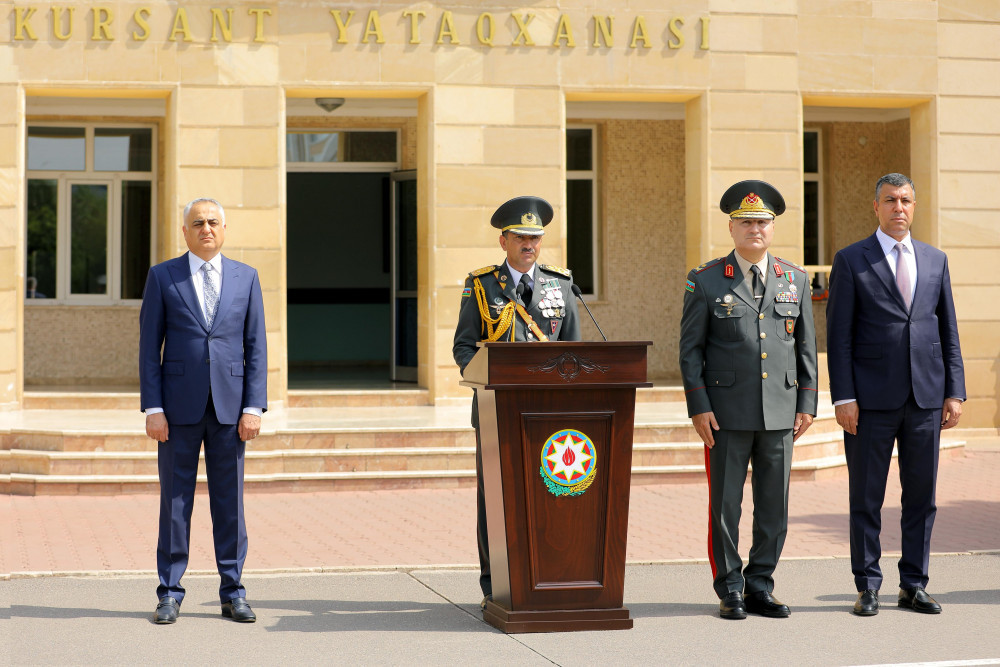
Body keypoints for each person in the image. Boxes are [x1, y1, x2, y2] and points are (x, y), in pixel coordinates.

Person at [826, 173, 965, 617]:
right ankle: (868, 586)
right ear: (876, 207)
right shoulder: (851, 260)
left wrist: (954, 392)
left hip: (926, 397)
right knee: (866, 497)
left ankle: (913, 584)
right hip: (869, 402)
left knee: (921, 498)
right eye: (890, 200)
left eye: (905, 200)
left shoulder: (935, 259)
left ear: (915, 205)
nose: (898, 208)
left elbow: (948, 330)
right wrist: (842, 396)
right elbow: (840, 336)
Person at [679, 180, 818, 620]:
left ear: (772, 228)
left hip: (780, 410)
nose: (754, 229)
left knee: (774, 507)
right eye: (746, 222)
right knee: (725, 507)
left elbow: (806, 347)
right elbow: (690, 350)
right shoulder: (704, 280)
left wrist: (808, 401)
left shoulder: (794, 279)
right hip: (725, 414)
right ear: (732, 228)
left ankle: (760, 585)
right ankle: (730, 588)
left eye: (761, 222)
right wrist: (699, 406)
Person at [139, 198, 267, 624]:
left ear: (225, 229)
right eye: (198, 223)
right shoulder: (163, 277)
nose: (206, 229)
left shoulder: (247, 278)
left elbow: (256, 347)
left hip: (231, 411)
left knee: (229, 505)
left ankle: (233, 591)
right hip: (176, 411)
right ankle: (170, 593)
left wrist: (253, 406)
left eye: (213, 222)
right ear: (185, 232)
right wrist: (153, 408)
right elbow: (148, 348)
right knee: (175, 505)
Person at [452, 195, 581, 610]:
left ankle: (542, 575)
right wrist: (488, 383)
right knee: (497, 498)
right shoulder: (482, 285)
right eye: (522, 237)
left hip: (549, 415)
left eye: (536, 237)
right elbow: (463, 348)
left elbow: (573, 351)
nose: (530, 244)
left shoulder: (560, 284)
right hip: (497, 413)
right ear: (503, 240)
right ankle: (496, 584)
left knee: (548, 495)